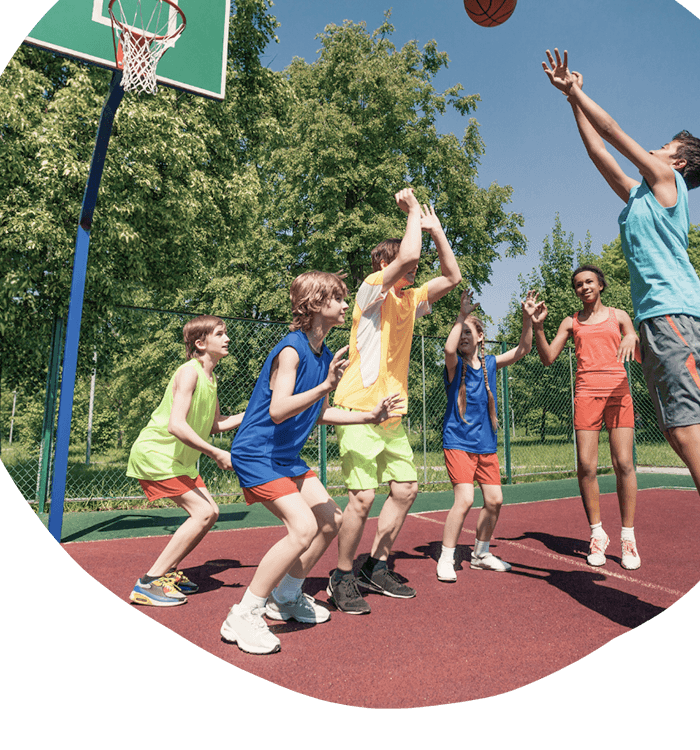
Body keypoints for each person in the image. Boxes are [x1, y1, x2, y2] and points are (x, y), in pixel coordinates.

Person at [541, 49, 700, 553]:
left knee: (689, 432)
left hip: (675, 315)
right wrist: (571, 103)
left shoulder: (667, 181)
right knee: (683, 436)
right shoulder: (641, 194)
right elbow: (599, 153)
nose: (651, 150)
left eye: (661, 146)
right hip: (661, 319)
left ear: (676, 162)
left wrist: (577, 90)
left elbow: (612, 131)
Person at [220, 271, 404, 654]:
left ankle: (285, 597)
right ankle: (243, 614)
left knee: (331, 520)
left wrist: (369, 416)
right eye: (337, 298)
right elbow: (278, 409)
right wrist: (325, 387)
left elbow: (319, 415)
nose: (343, 304)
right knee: (302, 527)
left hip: (285, 456)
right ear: (317, 304)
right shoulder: (291, 350)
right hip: (258, 453)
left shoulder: (323, 357)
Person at [328, 187, 462, 614]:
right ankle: (342, 575)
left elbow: (452, 277)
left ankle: (376, 565)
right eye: (405, 263)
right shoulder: (370, 293)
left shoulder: (410, 299)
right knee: (362, 499)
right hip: (357, 412)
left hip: (392, 414)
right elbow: (408, 258)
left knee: (405, 490)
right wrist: (411, 213)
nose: (414, 267)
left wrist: (437, 230)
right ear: (386, 266)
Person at [532, 265, 642, 569]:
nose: (584, 287)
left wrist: (631, 336)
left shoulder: (619, 316)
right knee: (586, 466)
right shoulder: (570, 322)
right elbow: (547, 358)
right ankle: (597, 534)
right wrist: (538, 327)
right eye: (579, 284)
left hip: (619, 393)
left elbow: (632, 337)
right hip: (586, 394)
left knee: (624, 463)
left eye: (589, 282)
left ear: (601, 285)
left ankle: (628, 537)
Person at [126, 315, 242, 606]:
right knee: (203, 513)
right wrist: (215, 452)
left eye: (226, 333)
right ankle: (149, 582)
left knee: (210, 512)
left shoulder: (211, 377)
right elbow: (176, 425)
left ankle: (169, 573)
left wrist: (256, 412)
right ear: (201, 343)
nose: (227, 338)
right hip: (158, 455)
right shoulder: (189, 372)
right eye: (220, 333)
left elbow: (215, 424)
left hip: (179, 461)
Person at [436, 288, 538, 583]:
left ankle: (480, 554)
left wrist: (527, 319)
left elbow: (523, 349)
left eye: (470, 331)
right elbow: (447, 349)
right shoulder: (455, 368)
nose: (464, 336)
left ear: (481, 336)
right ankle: (446, 557)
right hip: (458, 442)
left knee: (494, 500)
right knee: (465, 499)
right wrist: (461, 316)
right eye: (461, 333)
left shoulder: (491, 364)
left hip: (486, 446)